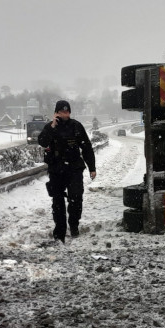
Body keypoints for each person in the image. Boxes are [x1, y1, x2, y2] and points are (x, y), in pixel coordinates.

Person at [37, 100, 97, 242]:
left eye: (67, 111)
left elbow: (86, 147)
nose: (65, 114)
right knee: (57, 202)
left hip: (74, 168)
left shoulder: (76, 126)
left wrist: (92, 167)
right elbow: (42, 142)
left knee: (76, 198)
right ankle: (60, 232)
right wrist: (52, 127)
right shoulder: (50, 127)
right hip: (56, 170)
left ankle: (74, 224)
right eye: (62, 112)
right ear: (56, 113)